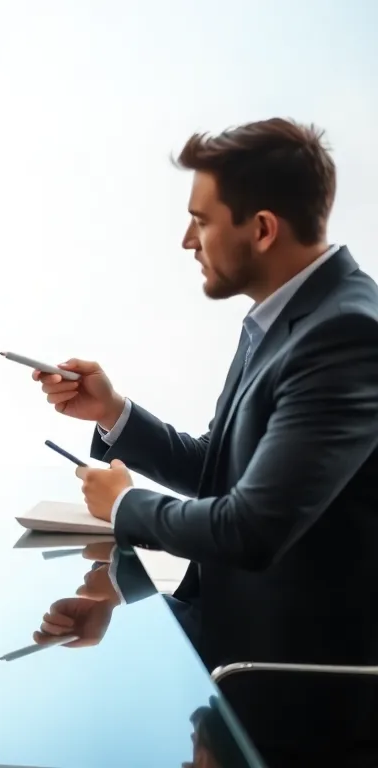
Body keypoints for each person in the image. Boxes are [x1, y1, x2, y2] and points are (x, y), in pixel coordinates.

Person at [31, 118, 378, 757]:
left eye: (202, 219)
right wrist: (114, 414)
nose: (186, 239)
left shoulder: (346, 336)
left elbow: (250, 528)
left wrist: (125, 507)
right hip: (220, 638)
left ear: (263, 228)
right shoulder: (282, 318)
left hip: (283, 690)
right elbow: (224, 474)